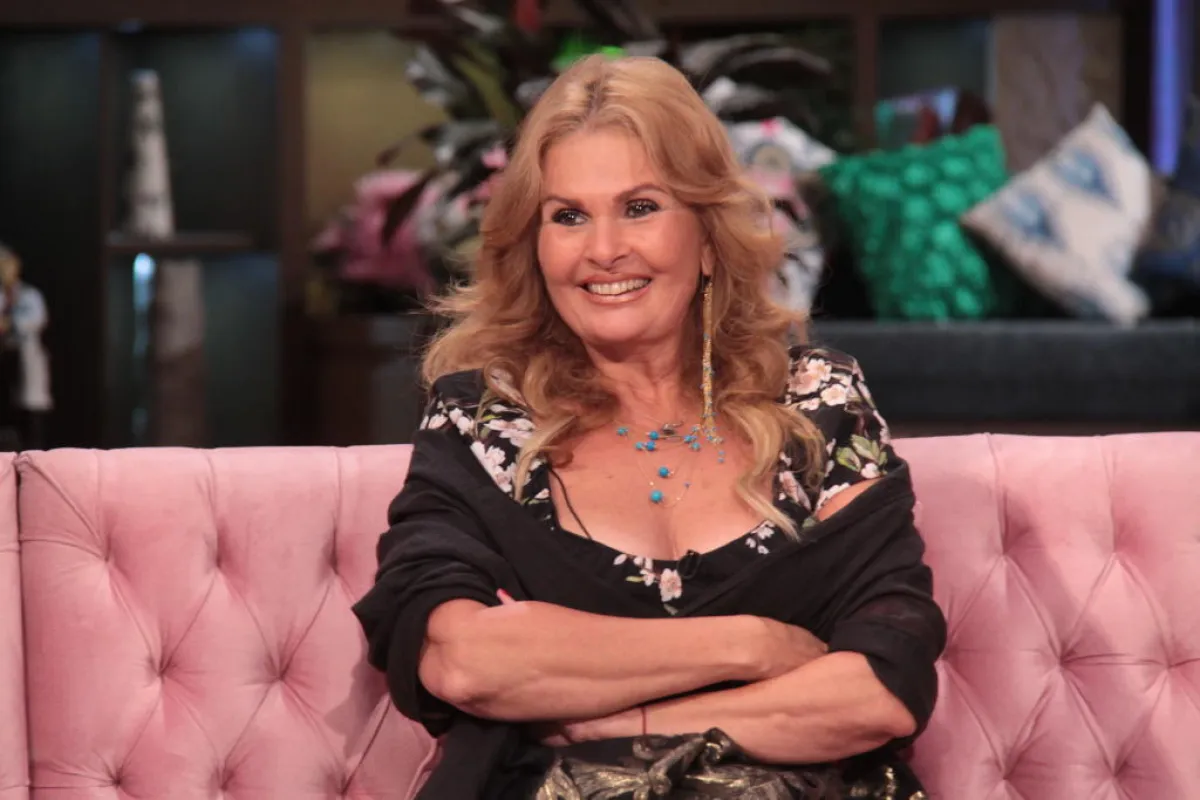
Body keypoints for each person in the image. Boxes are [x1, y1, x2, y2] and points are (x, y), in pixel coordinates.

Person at [353, 54, 946, 800]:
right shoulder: (485, 420)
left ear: (708, 238)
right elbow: (462, 660)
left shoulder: (815, 403)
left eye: (639, 207)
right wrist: (749, 644)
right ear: (534, 246)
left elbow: (882, 686)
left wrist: (628, 724)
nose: (604, 250)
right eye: (568, 216)